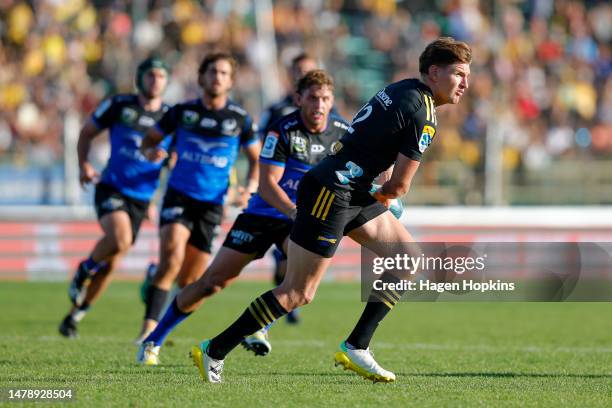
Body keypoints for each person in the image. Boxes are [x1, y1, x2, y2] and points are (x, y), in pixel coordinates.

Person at [190, 37, 472, 383]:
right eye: (459, 74)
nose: (465, 83)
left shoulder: (401, 89)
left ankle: (357, 346)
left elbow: (374, 145)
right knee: (297, 293)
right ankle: (214, 350)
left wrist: (375, 190)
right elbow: (399, 186)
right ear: (434, 72)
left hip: (346, 186)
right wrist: (386, 195)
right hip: (334, 191)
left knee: (407, 259)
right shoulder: (424, 114)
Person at [137, 69, 348, 365]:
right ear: (299, 99)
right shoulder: (282, 130)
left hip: (299, 222)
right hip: (264, 215)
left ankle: (261, 325)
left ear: (332, 100)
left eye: (325, 99)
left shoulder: (342, 131)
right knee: (211, 282)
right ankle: (152, 340)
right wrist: (293, 211)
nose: (319, 105)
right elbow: (267, 184)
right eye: (313, 98)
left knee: (300, 282)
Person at [135, 52, 260, 344]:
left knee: (191, 283)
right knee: (172, 256)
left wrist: (250, 187)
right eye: (212, 71)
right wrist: (152, 153)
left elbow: (256, 158)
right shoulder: (182, 112)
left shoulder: (239, 119)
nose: (217, 77)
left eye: (223, 73)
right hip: (179, 195)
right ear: (201, 77)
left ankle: (160, 304)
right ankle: (148, 330)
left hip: (212, 204)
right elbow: (148, 140)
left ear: (231, 81)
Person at [59, 57, 171, 338]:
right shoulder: (121, 105)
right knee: (119, 239)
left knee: (111, 265)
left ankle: (76, 314)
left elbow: (178, 157)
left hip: (142, 199)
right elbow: (86, 133)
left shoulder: (172, 117)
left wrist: (166, 161)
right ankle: (84, 269)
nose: (155, 81)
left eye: (160, 76)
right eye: (150, 75)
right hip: (112, 188)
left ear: (166, 81)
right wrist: (84, 164)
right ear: (141, 78)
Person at [258, 52, 319, 324]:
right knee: (287, 256)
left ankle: (280, 310)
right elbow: (261, 145)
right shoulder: (276, 110)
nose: (302, 74)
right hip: (279, 193)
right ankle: (275, 313)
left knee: (289, 258)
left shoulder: (326, 109)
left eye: (307, 70)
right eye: (298, 70)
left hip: (309, 196)